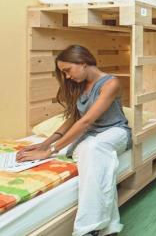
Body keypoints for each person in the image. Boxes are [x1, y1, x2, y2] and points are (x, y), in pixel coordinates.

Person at [17, 45, 132, 236]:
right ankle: (107, 228)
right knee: (93, 154)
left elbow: (86, 121)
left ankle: (86, 229)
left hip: (115, 132)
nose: (68, 77)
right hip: (90, 137)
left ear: (83, 62)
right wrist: (44, 143)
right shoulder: (79, 87)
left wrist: (51, 150)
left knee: (93, 147)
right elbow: (73, 118)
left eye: (68, 70)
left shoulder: (110, 83)